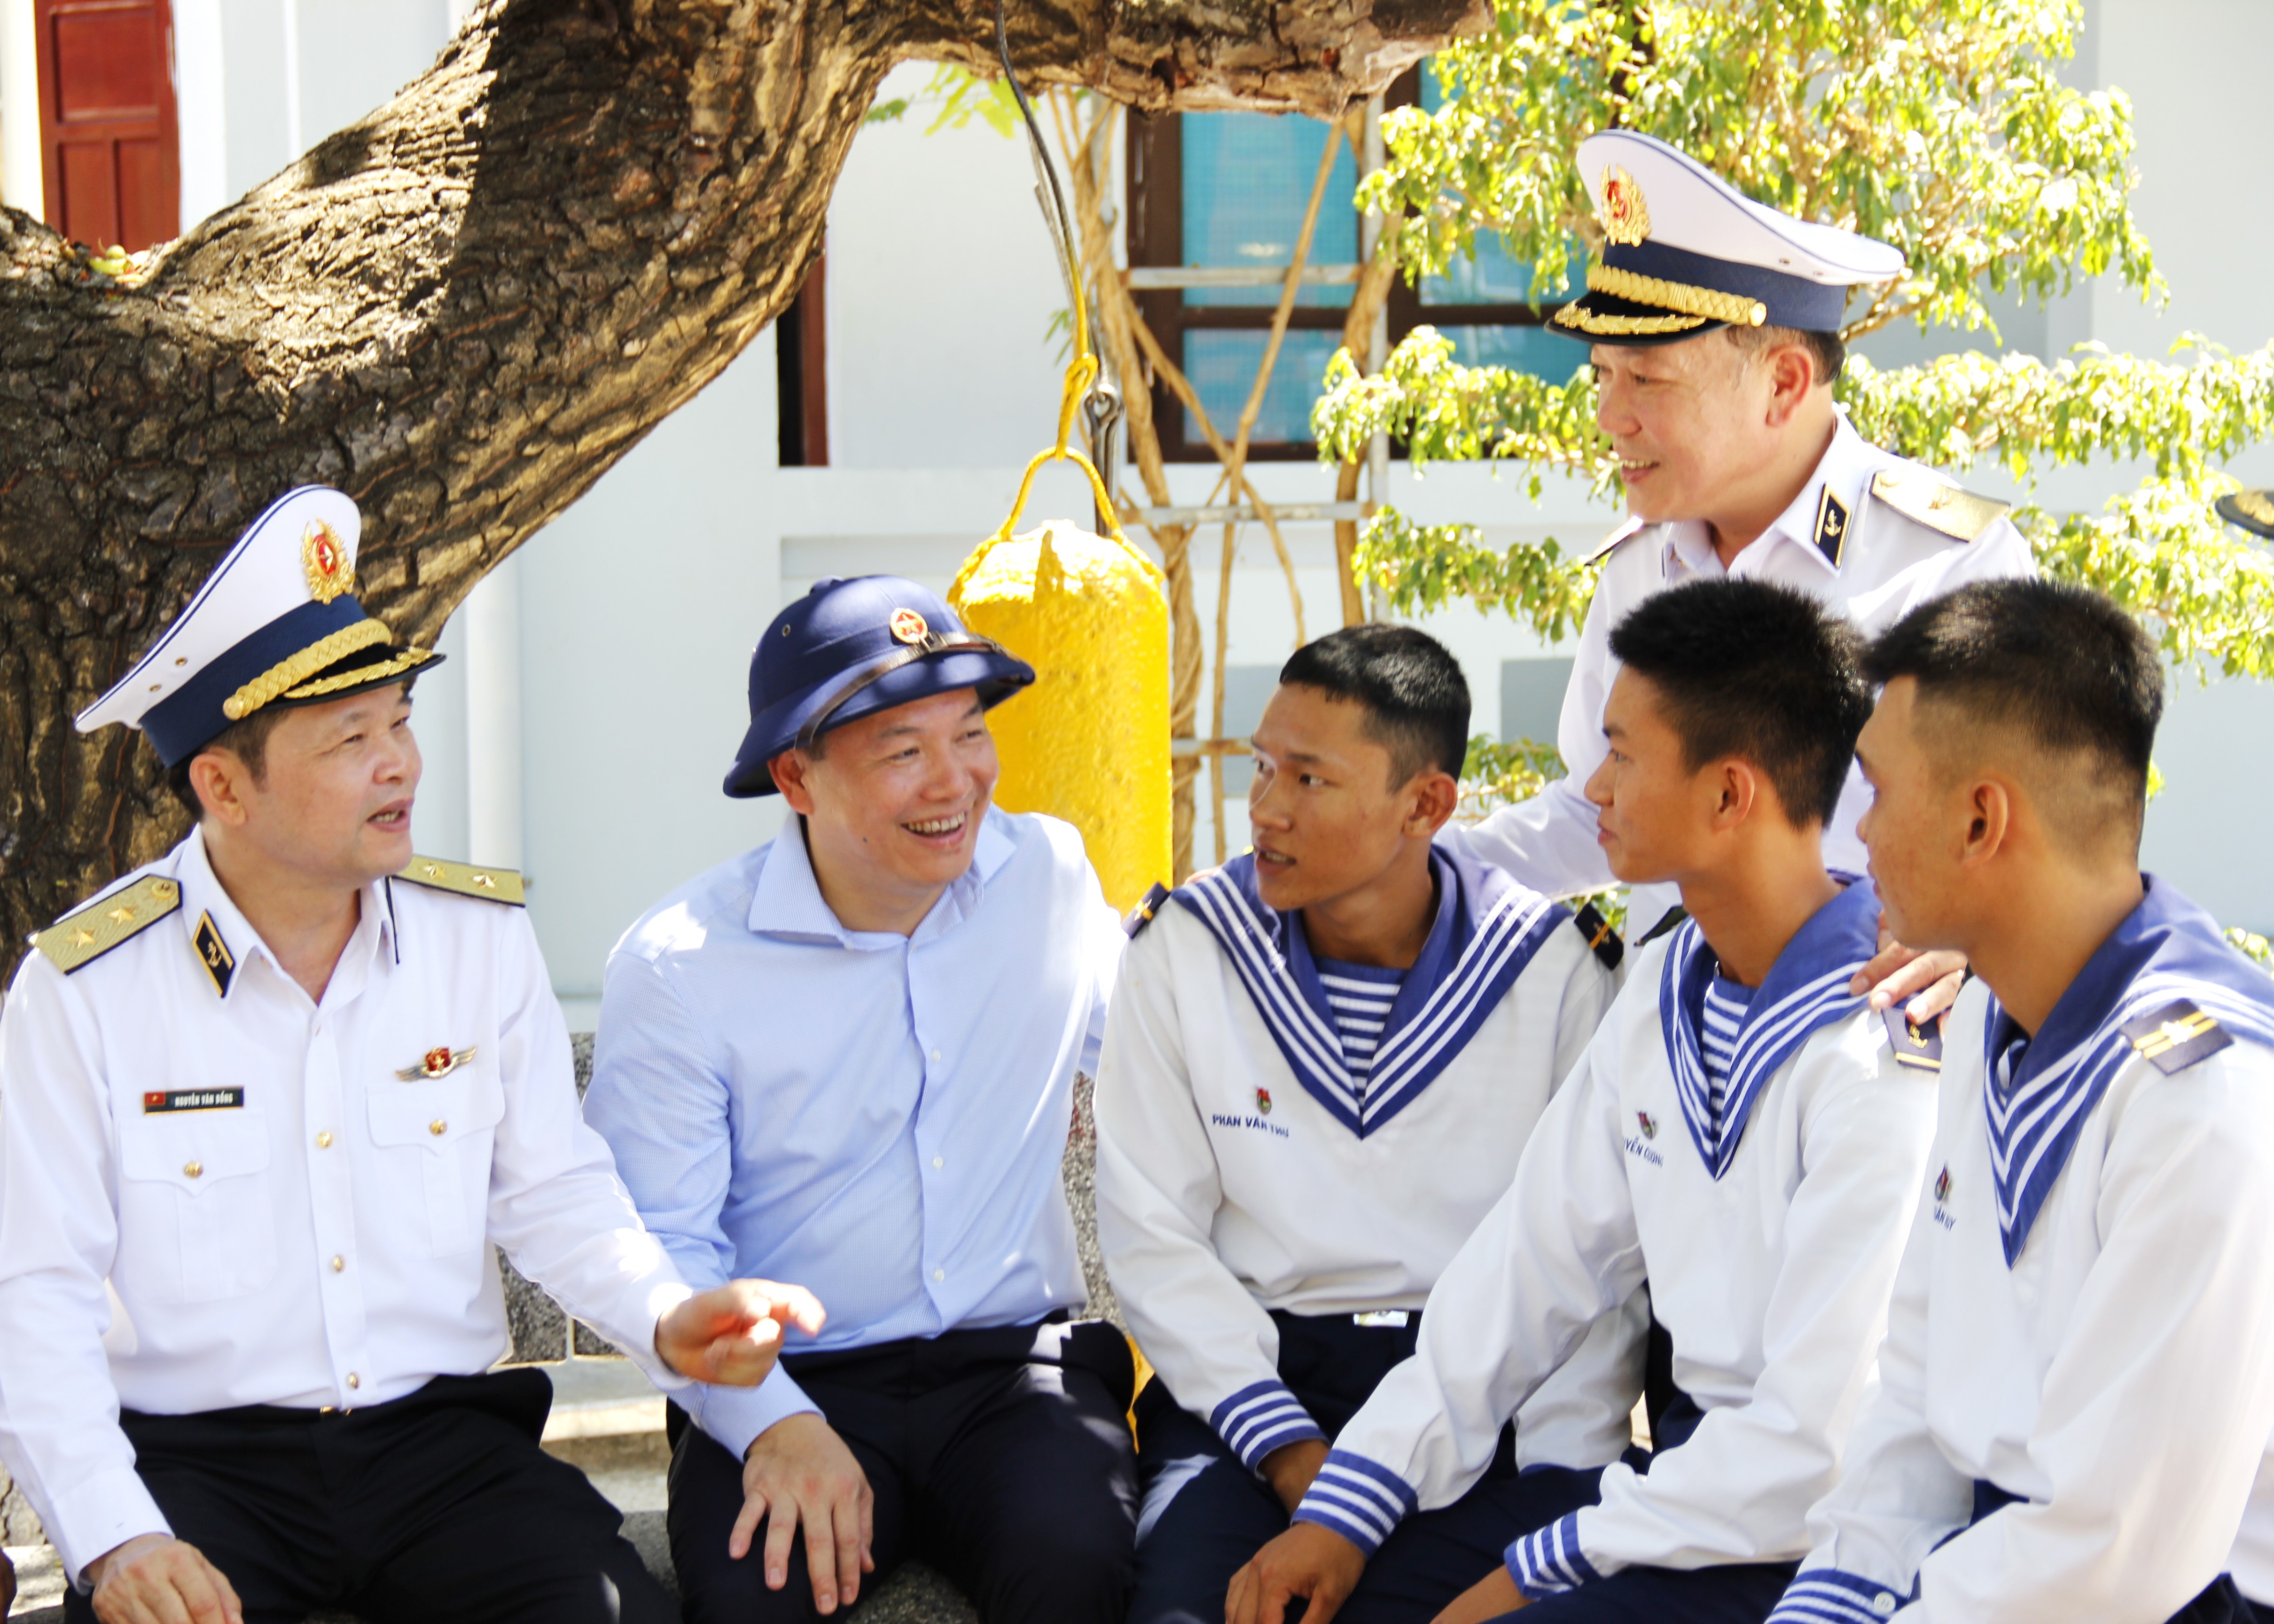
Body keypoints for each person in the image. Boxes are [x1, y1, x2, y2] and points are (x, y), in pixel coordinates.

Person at [0, 487, 816, 1624]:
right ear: (222, 786)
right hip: (201, 1470)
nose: (401, 765)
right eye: (350, 739)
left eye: (399, 722)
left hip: (440, 1457)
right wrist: (115, 1536)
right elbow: (32, 1296)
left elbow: (555, 1194)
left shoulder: (475, 940)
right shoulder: (85, 989)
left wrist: (666, 1317)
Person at [1230, 580, 1939, 1624]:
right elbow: (1525, 1272)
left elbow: (1814, 1443)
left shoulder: (1881, 1043)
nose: (1592, 790)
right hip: (1694, 1495)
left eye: (1620, 754)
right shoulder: (1662, 987)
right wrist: (1342, 1513)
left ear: (1728, 794)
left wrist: (1539, 1566)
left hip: (1844, 1538)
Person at [582, 575, 1139, 1624]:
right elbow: (658, 1249)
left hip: (1010, 1373)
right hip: (789, 1376)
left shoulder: (1047, 879)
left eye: (969, 734)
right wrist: (769, 1422)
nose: (956, 782)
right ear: (796, 778)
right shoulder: (682, 967)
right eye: (902, 753)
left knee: (1078, 1570)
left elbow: (1168, 1066)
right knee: (755, 1599)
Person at [1095, 625, 1632, 1624]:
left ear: (1425, 804)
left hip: (1485, 1391)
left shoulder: (1554, 969)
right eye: (1260, 768)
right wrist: (1293, 1453)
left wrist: (1567, 1471)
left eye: (1309, 780)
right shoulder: (1186, 950)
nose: (1263, 809)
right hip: (1252, 1394)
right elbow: (1151, 1235)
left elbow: (1586, 1265)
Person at [1768, 580, 2274, 1624]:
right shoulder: (1980, 1014)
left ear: (1979, 817)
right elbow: (1909, 1393)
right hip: (1993, 1572)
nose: (1852, 834)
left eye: (1874, 789)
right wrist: (1827, 1602)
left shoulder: (2201, 1097)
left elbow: (2117, 1561)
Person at [1448, 127, 2033, 1022]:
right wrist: (1409, 871)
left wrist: (1974, 938)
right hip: (1670, 1073)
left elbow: (2038, 841)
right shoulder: (1644, 567)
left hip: (1872, 1071)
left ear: (1785, 384)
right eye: (1603, 374)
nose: (1609, 417)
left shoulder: (1950, 570)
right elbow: (1594, 814)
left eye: (1647, 378)